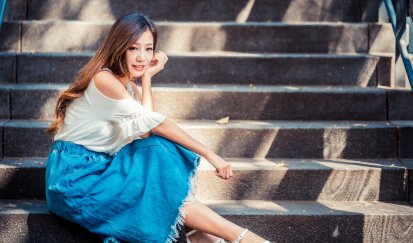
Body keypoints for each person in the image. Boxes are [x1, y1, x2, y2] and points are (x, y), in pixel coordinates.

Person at [45, 12, 271, 243]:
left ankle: (204, 235)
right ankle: (239, 237)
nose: (142, 57)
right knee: (159, 148)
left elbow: (145, 129)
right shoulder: (104, 80)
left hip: (100, 169)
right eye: (133, 48)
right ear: (118, 47)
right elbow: (156, 124)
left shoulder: (127, 87)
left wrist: (147, 79)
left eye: (148, 49)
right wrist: (211, 154)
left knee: (155, 150)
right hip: (75, 181)